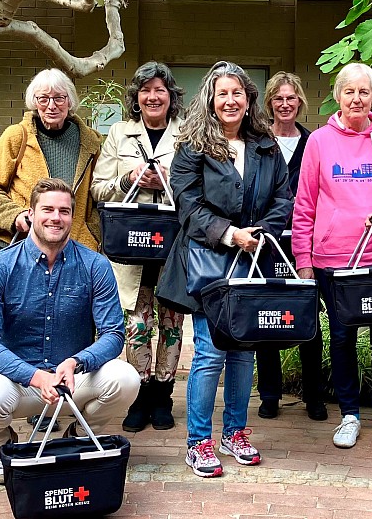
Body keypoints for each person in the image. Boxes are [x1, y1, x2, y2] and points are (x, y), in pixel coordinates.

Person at [156, 61, 291, 478]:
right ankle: (198, 441)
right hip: (208, 261)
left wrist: (261, 233)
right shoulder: (192, 146)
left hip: (255, 260)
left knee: (243, 352)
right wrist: (230, 233)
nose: (230, 101)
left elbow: (283, 199)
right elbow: (188, 206)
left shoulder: (267, 146)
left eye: (238, 93)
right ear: (211, 101)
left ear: (249, 99)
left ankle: (235, 432)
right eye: (222, 94)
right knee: (211, 353)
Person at [0, 178, 140, 485]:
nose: (56, 217)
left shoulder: (95, 265)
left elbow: (113, 333)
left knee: (126, 379)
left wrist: (75, 362)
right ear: (30, 213)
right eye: (47, 209)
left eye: (64, 211)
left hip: (71, 378)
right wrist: (34, 376)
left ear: (73, 216)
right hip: (17, 380)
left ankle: (83, 434)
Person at [291, 62, 372, 459]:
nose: (357, 99)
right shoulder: (319, 142)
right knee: (342, 339)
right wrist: (303, 258)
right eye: (350, 92)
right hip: (334, 260)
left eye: (364, 92)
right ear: (338, 96)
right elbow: (305, 204)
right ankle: (349, 415)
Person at [90, 62, 185, 433]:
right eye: (146, 90)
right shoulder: (119, 133)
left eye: (160, 90)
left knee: (171, 322)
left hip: (171, 245)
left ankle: (164, 395)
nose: (153, 97)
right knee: (136, 324)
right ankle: (140, 395)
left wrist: (166, 179)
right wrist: (127, 178)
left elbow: (198, 189)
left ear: (170, 96)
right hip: (132, 245)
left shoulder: (186, 134)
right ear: (137, 97)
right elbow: (98, 189)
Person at [253, 71, 328, 422]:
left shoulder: (313, 142)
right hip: (265, 241)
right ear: (270, 103)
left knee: (307, 317)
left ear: (300, 102)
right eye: (278, 99)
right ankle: (270, 395)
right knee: (267, 319)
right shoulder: (258, 141)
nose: (285, 104)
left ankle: (315, 395)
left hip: (304, 242)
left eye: (291, 98)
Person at [0, 68, 102, 249]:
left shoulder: (90, 142)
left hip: (75, 247)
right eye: (43, 99)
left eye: (59, 98)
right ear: (34, 102)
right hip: (23, 244)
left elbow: (100, 196)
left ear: (69, 101)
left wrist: (91, 231)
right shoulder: (17, 136)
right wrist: (15, 215)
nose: (51, 106)